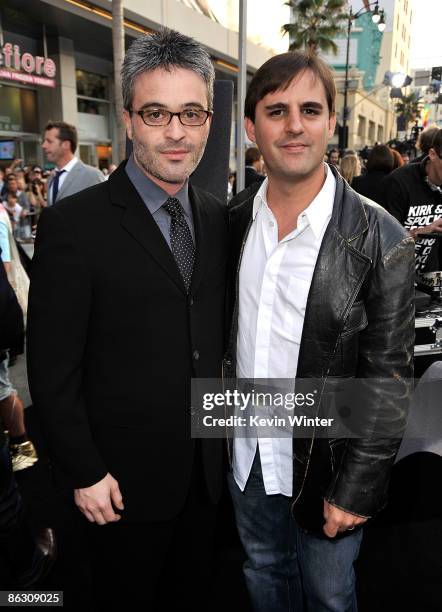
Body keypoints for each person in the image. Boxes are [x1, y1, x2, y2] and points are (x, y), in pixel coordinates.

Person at [27, 28, 226, 610]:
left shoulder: (219, 218)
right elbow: (51, 368)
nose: (175, 132)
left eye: (191, 113)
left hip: (206, 479)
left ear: (209, 120)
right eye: (157, 113)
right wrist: (84, 471)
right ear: (129, 119)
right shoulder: (74, 226)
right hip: (115, 489)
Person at [225, 50, 414, 612]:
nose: (293, 125)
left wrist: (357, 488)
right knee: (262, 573)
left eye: (310, 109)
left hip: (328, 461)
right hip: (245, 451)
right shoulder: (232, 221)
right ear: (251, 125)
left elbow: (388, 377)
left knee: (330, 595)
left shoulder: (382, 236)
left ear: (332, 122)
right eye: (276, 109)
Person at [383, 128, 442, 273]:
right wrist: (420, 232)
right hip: (394, 280)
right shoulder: (400, 182)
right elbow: (384, 242)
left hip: (430, 282)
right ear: (432, 154)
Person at [42, 121, 105, 206]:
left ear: (66, 144)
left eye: (49, 141)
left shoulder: (92, 176)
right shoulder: (51, 179)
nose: (44, 145)